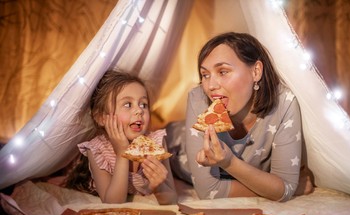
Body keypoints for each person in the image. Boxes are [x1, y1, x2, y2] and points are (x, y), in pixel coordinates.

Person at [183, 32, 313, 201]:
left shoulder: (284, 103)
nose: (211, 86)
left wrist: (230, 163)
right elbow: (208, 192)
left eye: (223, 71)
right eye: (205, 75)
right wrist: (273, 188)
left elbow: (285, 187)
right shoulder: (198, 98)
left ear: (256, 72)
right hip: (176, 147)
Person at [65, 69, 176, 205]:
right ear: (101, 118)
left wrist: (158, 187)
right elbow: (112, 203)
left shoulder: (156, 143)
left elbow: (172, 199)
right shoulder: (97, 150)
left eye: (143, 104)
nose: (139, 110)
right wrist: (121, 153)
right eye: (128, 104)